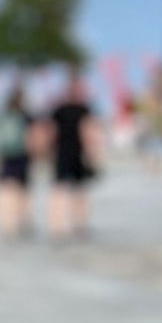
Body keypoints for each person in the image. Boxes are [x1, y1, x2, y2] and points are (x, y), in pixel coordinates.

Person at [46, 63, 101, 239]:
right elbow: (88, 133)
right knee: (80, 191)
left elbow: (51, 133)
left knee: (60, 191)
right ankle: (80, 225)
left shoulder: (58, 110)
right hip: (77, 155)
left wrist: (48, 153)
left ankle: (57, 226)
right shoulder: (84, 110)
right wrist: (92, 155)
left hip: (61, 154)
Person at [0, 76, 34, 237]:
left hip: (5, 158)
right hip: (22, 158)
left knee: (5, 193)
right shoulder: (25, 116)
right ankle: (21, 222)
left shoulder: (3, 116)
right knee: (22, 193)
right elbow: (32, 139)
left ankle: (6, 225)